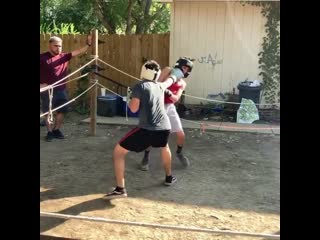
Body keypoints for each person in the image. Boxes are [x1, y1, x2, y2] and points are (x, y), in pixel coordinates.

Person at [103, 60, 184, 200]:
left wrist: (129, 99)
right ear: (157, 73)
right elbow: (172, 78)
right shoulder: (160, 85)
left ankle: (120, 189)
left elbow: (133, 109)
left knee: (118, 151)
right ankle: (169, 177)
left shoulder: (139, 86)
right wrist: (179, 71)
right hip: (165, 127)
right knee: (164, 147)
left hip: (147, 128)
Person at [140, 57, 194, 171]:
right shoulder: (168, 70)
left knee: (181, 134)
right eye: (184, 67)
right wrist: (163, 88)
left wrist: (169, 93)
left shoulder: (183, 83)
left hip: (170, 107)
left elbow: (176, 99)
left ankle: (179, 153)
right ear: (179, 65)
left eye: (187, 69)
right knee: (152, 133)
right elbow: (157, 84)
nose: (185, 71)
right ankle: (146, 157)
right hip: (158, 105)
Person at [40, 34, 92, 141]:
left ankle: (56, 130)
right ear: (50, 45)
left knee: (63, 110)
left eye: (60, 46)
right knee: (48, 112)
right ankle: (49, 132)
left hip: (61, 89)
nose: (58, 48)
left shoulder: (64, 57)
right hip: (47, 90)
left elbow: (79, 51)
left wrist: (88, 44)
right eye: (56, 46)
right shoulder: (42, 58)